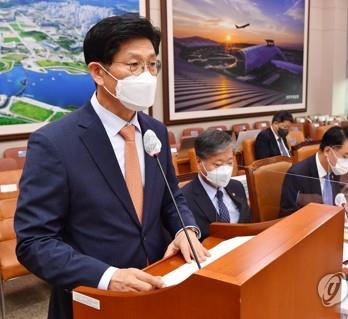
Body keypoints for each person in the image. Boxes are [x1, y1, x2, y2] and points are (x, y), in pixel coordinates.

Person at [14, 15, 210, 319]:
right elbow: (34, 242)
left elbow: (172, 197)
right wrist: (107, 276)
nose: (146, 75)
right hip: (93, 299)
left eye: (152, 64)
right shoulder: (54, 143)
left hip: (160, 284)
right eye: (133, 65)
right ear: (98, 72)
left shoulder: (155, 131)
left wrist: (186, 229)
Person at [182, 129, 251, 240]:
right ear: (199, 162)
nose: (225, 169)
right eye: (218, 165)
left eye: (229, 163)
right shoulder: (184, 198)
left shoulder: (237, 186)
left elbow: (248, 224)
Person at [280, 126, 348, 217]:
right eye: (345, 156)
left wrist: (345, 206)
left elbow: (334, 200)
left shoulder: (334, 168)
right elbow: (287, 215)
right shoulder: (297, 174)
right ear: (327, 151)